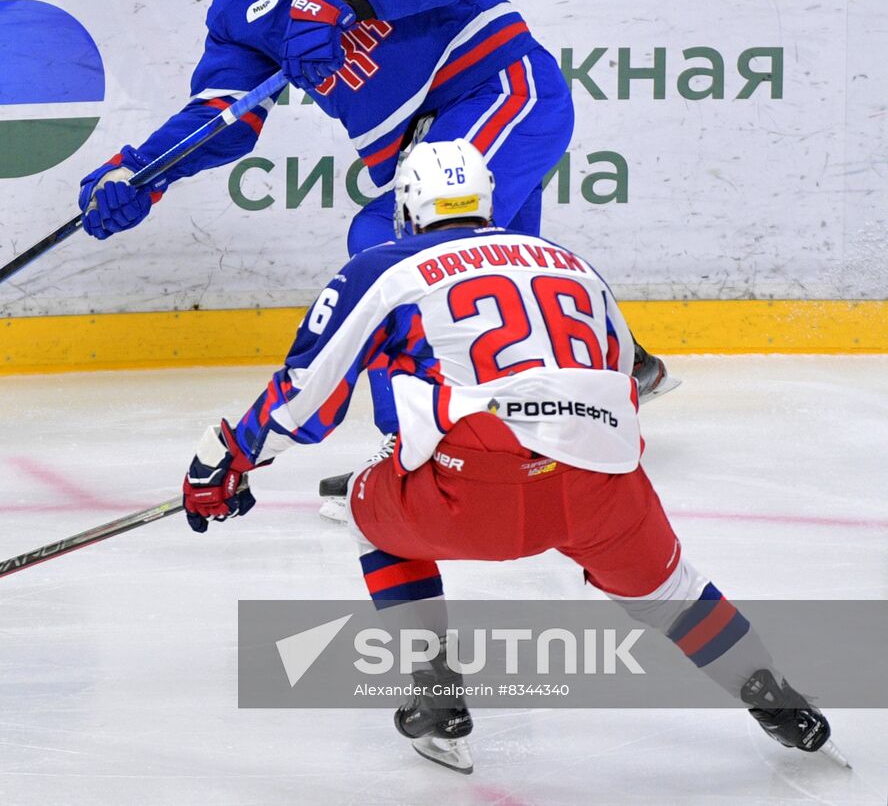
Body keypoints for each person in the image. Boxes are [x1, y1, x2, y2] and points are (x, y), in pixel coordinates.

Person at [178, 139, 844, 773]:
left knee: (365, 505)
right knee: (674, 593)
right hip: (603, 485)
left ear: (408, 209)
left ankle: (434, 683)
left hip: (475, 492)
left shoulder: (386, 268)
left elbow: (304, 398)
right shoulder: (569, 262)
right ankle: (771, 690)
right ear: (489, 200)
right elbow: (628, 373)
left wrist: (225, 460)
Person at [76, 0, 672, 436]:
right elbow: (221, 117)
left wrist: (350, 8)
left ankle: (410, 449)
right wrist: (141, 172)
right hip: (430, 152)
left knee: (389, 242)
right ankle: (616, 369)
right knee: (499, 283)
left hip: (499, 92)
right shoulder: (238, 11)